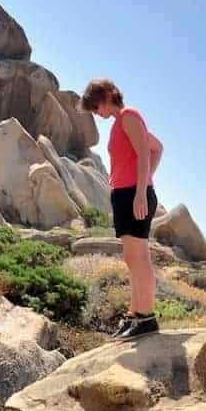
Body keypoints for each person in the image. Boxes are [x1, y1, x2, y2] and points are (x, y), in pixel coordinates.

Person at [80, 78, 163, 339]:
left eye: (96, 107)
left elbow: (144, 152)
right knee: (131, 257)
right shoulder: (122, 121)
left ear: (106, 96)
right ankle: (135, 313)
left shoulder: (128, 116)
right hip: (125, 194)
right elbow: (156, 149)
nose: (97, 113)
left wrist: (141, 190)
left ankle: (146, 317)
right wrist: (143, 182)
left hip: (132, 195)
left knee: (139, 257)